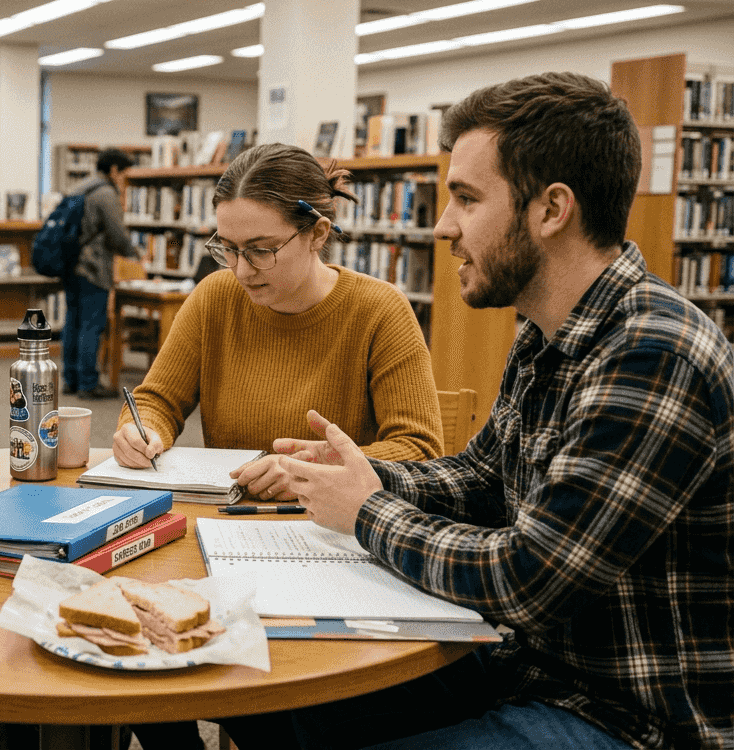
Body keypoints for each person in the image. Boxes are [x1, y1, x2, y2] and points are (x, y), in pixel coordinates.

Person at [221, 72, 734, 749]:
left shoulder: (654, 352)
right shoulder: (547, 332)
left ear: (551, 210)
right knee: (263, 696)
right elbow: (484, 479)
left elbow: (529, 578)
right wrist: (359, 474)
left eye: (465, 197)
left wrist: (368, 513)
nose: (443, 226)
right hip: (528, 665)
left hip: (626, 714)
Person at [119, 142, 446, 750]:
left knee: (270, 695)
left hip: (332, 550)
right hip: (218, 536)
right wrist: (150, 430)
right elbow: (159, 397)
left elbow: (421, 448)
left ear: (318, 232)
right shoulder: (216, 298)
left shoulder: (379, 311)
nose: (241, 270)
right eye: (227, 248)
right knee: (132, 636)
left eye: (261, 250)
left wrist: (309, 467)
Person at [63, 147, 143, 398]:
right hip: (94, 267)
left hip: (70, 264)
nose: (124, 179)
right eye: (123, 173)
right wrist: (136, 255)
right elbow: (117, 234)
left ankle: (71, 379)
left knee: (73, 322)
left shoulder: (80, 187)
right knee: (91, 325)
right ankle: (88, 383)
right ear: (113, 170)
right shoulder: (106, 193)